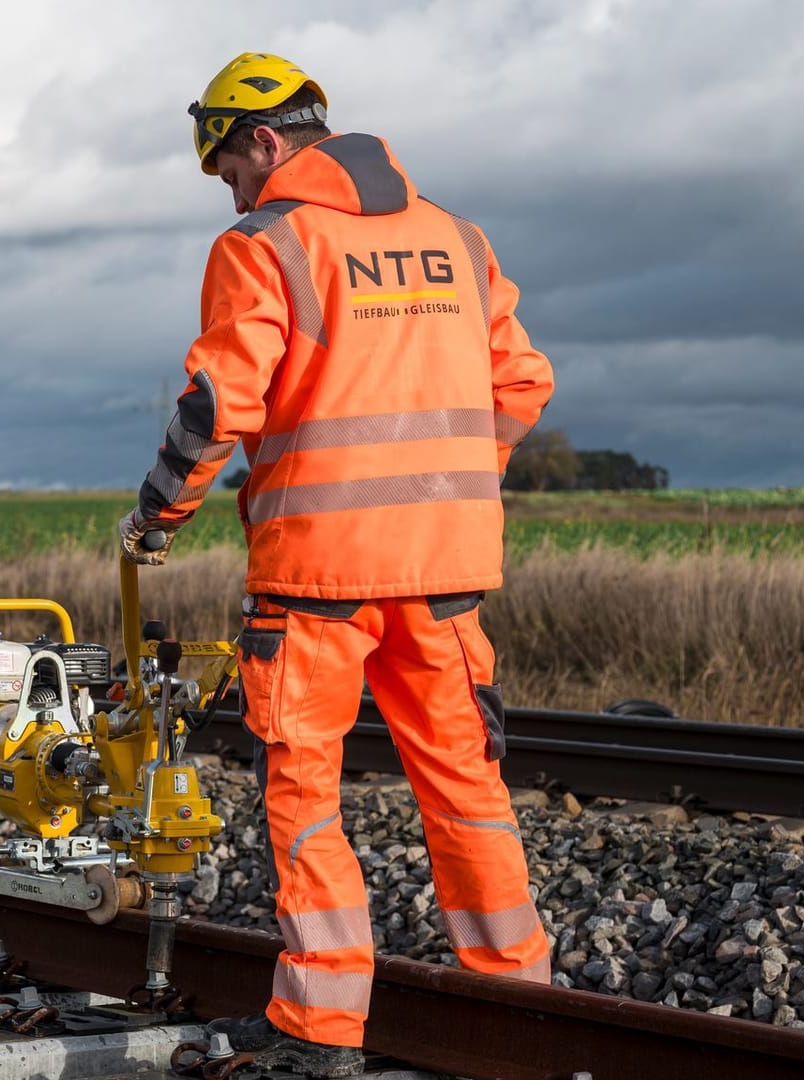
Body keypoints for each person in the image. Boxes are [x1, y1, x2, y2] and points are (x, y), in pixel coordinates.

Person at [118, 52, 555, 1078]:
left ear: (264, 141)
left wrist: (158, 518)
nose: (230, 189)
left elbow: (220, 405)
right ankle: (518, 1002)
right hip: (446, 571)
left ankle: (320, 1031)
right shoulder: (458, 238)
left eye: (228, 167)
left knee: (305, 791)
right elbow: (523, 383)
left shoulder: (264, 244)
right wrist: (451, 484)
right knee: (466, 786)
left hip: (315, 577)